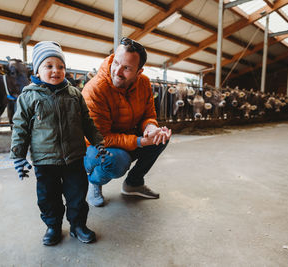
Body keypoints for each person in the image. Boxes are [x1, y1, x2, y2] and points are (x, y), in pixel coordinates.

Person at [10, 41, 110, 246]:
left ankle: (77, 226)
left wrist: (98, 142)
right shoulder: (28, 96)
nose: (56, 70)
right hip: (45, 161)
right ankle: (53, 227)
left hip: (73, 157)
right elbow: (20, 127)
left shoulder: (74, 94)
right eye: (49, 66)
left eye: (61, 66)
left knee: (77, 195)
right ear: (37, 70)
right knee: (48, 197)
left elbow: (87, 122)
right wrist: (18, 156)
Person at [82, 37, 172, 207]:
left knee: (161, 138)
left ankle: (133, 184)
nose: (117, 71)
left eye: (127, 68)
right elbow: (99, 138)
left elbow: (148, 114)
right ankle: (94, 181)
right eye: (116, 63)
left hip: (125, 138)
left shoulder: (144, 83)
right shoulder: (95, 89)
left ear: (139, 72)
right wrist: (139, 141)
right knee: (118, 161)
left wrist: (151, 128)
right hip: (93, 147)